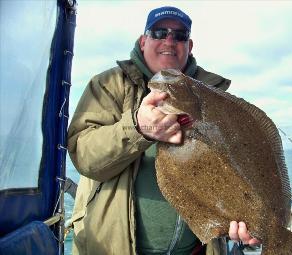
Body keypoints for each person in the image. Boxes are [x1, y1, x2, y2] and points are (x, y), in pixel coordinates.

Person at [68, 6, 260, 255]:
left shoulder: (215, 96)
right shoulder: (108, 85)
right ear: (143, 40)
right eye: (159, 32)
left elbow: (241, 164)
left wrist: (248, 216)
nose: (169, 40)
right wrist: (138, 128)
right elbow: (84, 155)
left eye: (179, 36)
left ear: (189, 46)